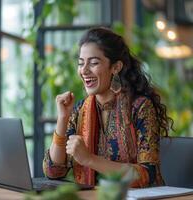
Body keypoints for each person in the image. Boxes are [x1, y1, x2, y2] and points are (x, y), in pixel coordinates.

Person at [43, 27, 173, 188]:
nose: (84, 70)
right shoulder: (80, 110)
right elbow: (53, 171)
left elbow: (146, 175)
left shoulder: (140, 107)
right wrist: (62, 119)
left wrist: (90, 159)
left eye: (94, 63)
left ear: (115, 67)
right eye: (81, 63)